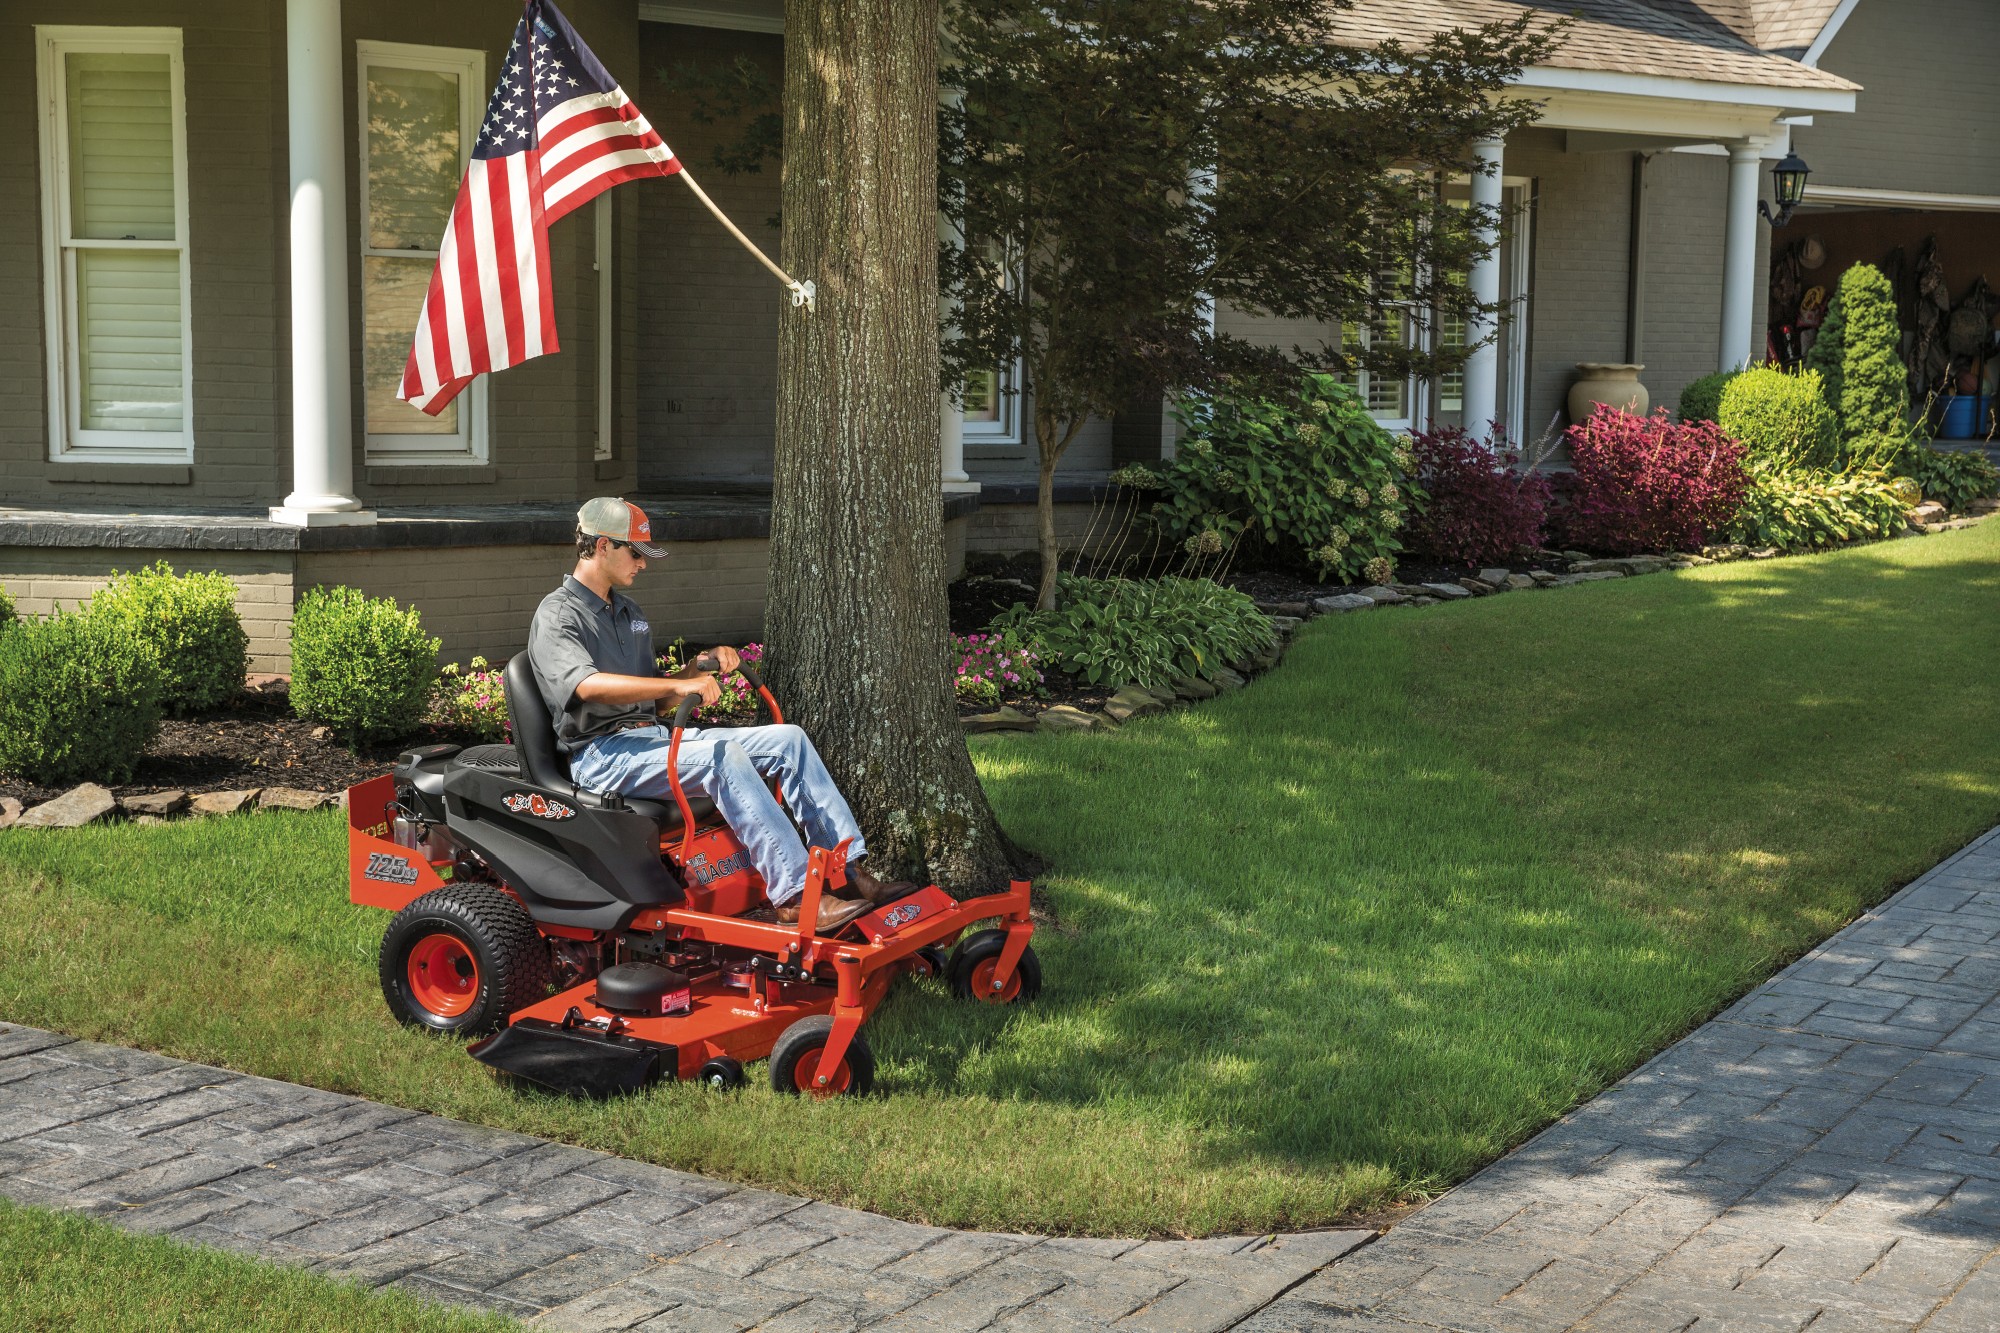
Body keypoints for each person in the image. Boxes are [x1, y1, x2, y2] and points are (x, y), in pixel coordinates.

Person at [528, 497, 914, 932]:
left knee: (789, 739)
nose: (643, 564)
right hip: (603, 757)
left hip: (650, 738)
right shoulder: (558, 613)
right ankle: (793, 896)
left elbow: (652, 700)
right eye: (636, 553)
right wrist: (680, 685)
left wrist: (697, 667)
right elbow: (584, 686)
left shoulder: (628, 613)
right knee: (723, 756)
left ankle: (846, 874)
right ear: (602, 546)